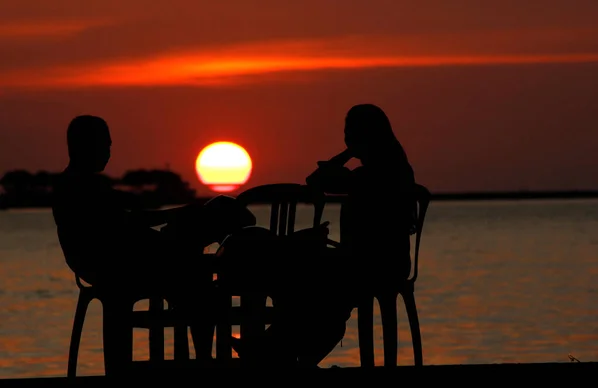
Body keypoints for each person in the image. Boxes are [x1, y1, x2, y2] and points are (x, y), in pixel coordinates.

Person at [226, 103, 417, 367]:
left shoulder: (372, 175)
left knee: (307, 278)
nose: (348, 139)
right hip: (371, 261)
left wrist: (347, 154)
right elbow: (316, 181)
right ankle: (282, 351)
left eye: (352, 134)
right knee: (312, 285)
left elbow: (314, 181)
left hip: (376, 264)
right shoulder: (394, 168)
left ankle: (277, 350)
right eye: (346, 135)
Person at [51, 115, 256, 359]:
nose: (108, 153)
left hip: (124, 255)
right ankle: (207, 356)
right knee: (201, 260)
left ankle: (222, 244)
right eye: (105, 145)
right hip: (113, 263)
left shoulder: (82, 183)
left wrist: (169, 219)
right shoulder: (78, 186)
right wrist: (175, 215)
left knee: (196, 258)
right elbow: (125, 224)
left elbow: (128, 218)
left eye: (109, 146)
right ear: (85, 146)